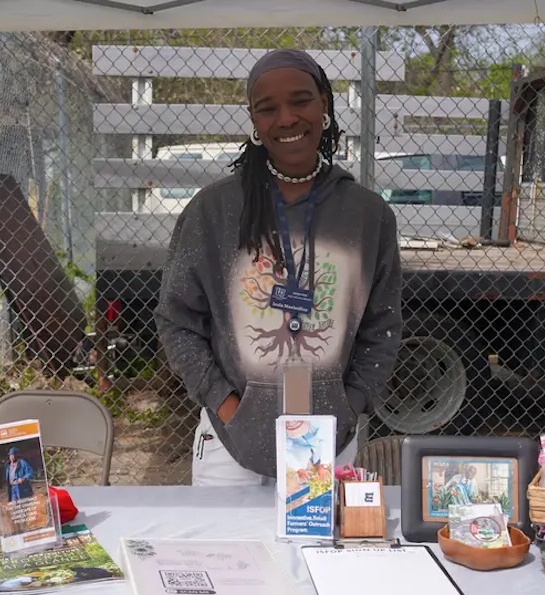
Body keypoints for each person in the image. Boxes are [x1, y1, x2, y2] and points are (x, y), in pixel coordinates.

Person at [156, 49, 405, 486]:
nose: (286, 118)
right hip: (229, 448)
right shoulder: (212, 212)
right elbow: (177, 322)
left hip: (328, 443)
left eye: (300, 100)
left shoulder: (369, 215)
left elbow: (382, 326)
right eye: (267, 109)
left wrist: (351, 403)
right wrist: (226, 403)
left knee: (318, 554)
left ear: (324, 104)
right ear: (254, 120)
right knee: (229, 555)